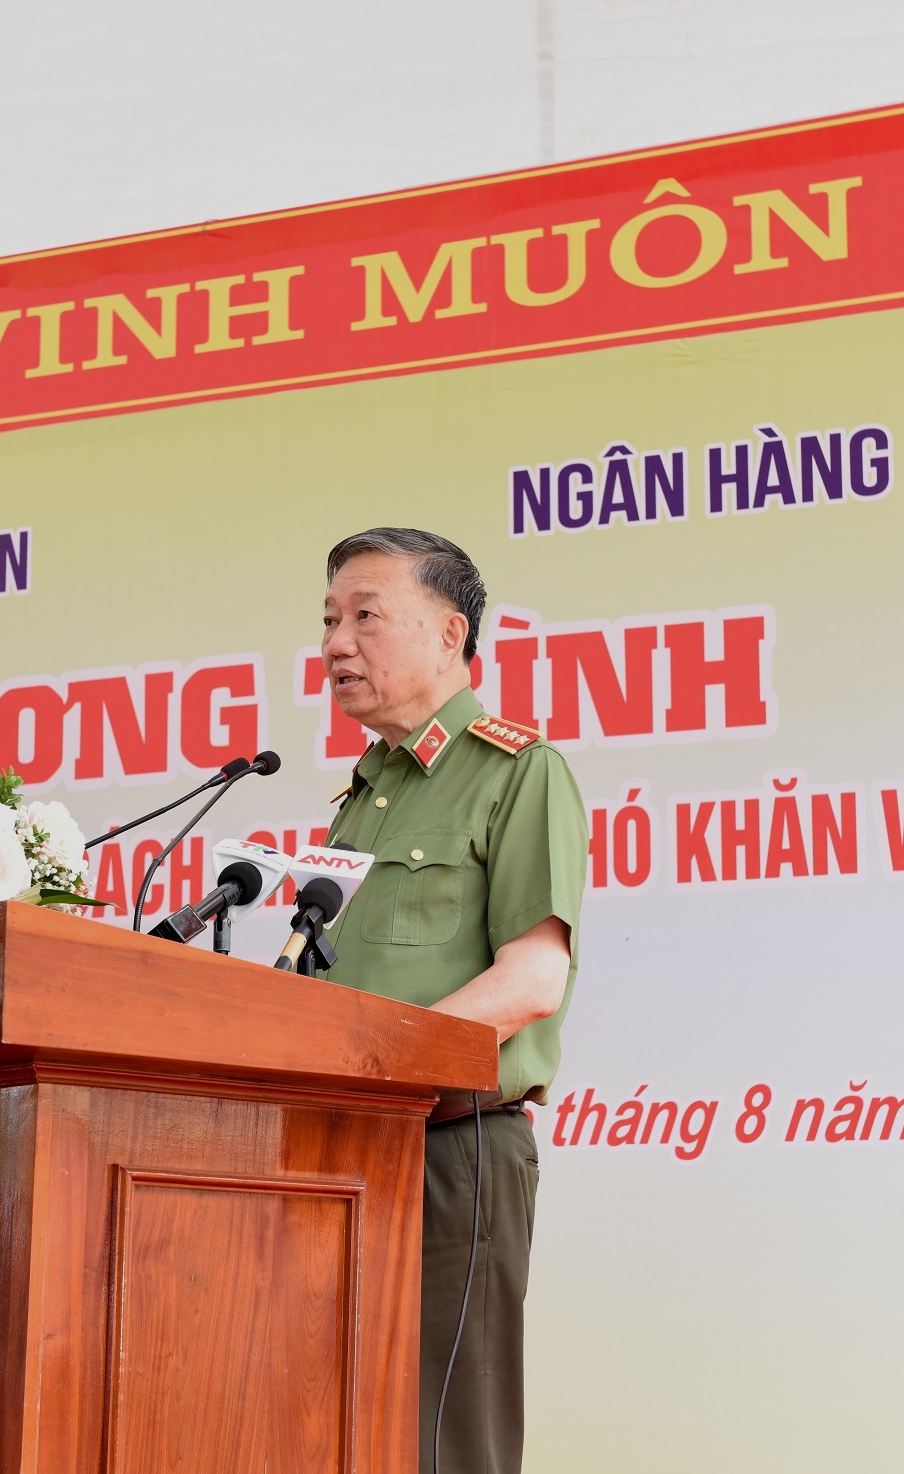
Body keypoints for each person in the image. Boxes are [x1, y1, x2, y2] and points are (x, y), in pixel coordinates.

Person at [317, 527, 585, 1474]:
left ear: (448, 634)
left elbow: (532, 980)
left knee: (445, 1442)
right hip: (335, 1152)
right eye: (329, 620)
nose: (337, 644)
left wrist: (373, 1065)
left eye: (365, 617)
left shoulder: (517, 771)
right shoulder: (361, 799)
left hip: (449, 1149)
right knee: (337, 1430)